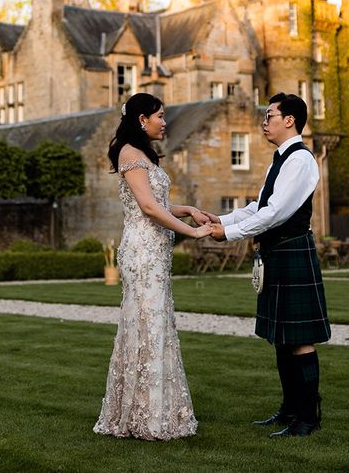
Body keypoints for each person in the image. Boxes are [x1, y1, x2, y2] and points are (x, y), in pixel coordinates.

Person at [208, 92, 330, 437]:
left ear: (289, 120)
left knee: (300, 338)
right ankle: (290, 410)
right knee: (281, 337)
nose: (265, 122)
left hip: (292, 250)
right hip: (278, 253)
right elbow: (258, 207)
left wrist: (228, 234)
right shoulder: (279, 159)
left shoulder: (301, 160)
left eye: (270, 115)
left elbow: (275, 214)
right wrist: (218, 220)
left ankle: (308, 418)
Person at [94, 92, 214, 441]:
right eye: (160, 115)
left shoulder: (143, 155)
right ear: (142, 119)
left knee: (157, 324)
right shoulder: (130, 153)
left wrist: (188, 208)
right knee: (147, 325)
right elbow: (147, 208)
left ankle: (152, 410)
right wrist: (192, 231)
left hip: (155, 252)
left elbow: (160, 204)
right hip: (143, 254)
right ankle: (142, 416)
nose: (165, 122)